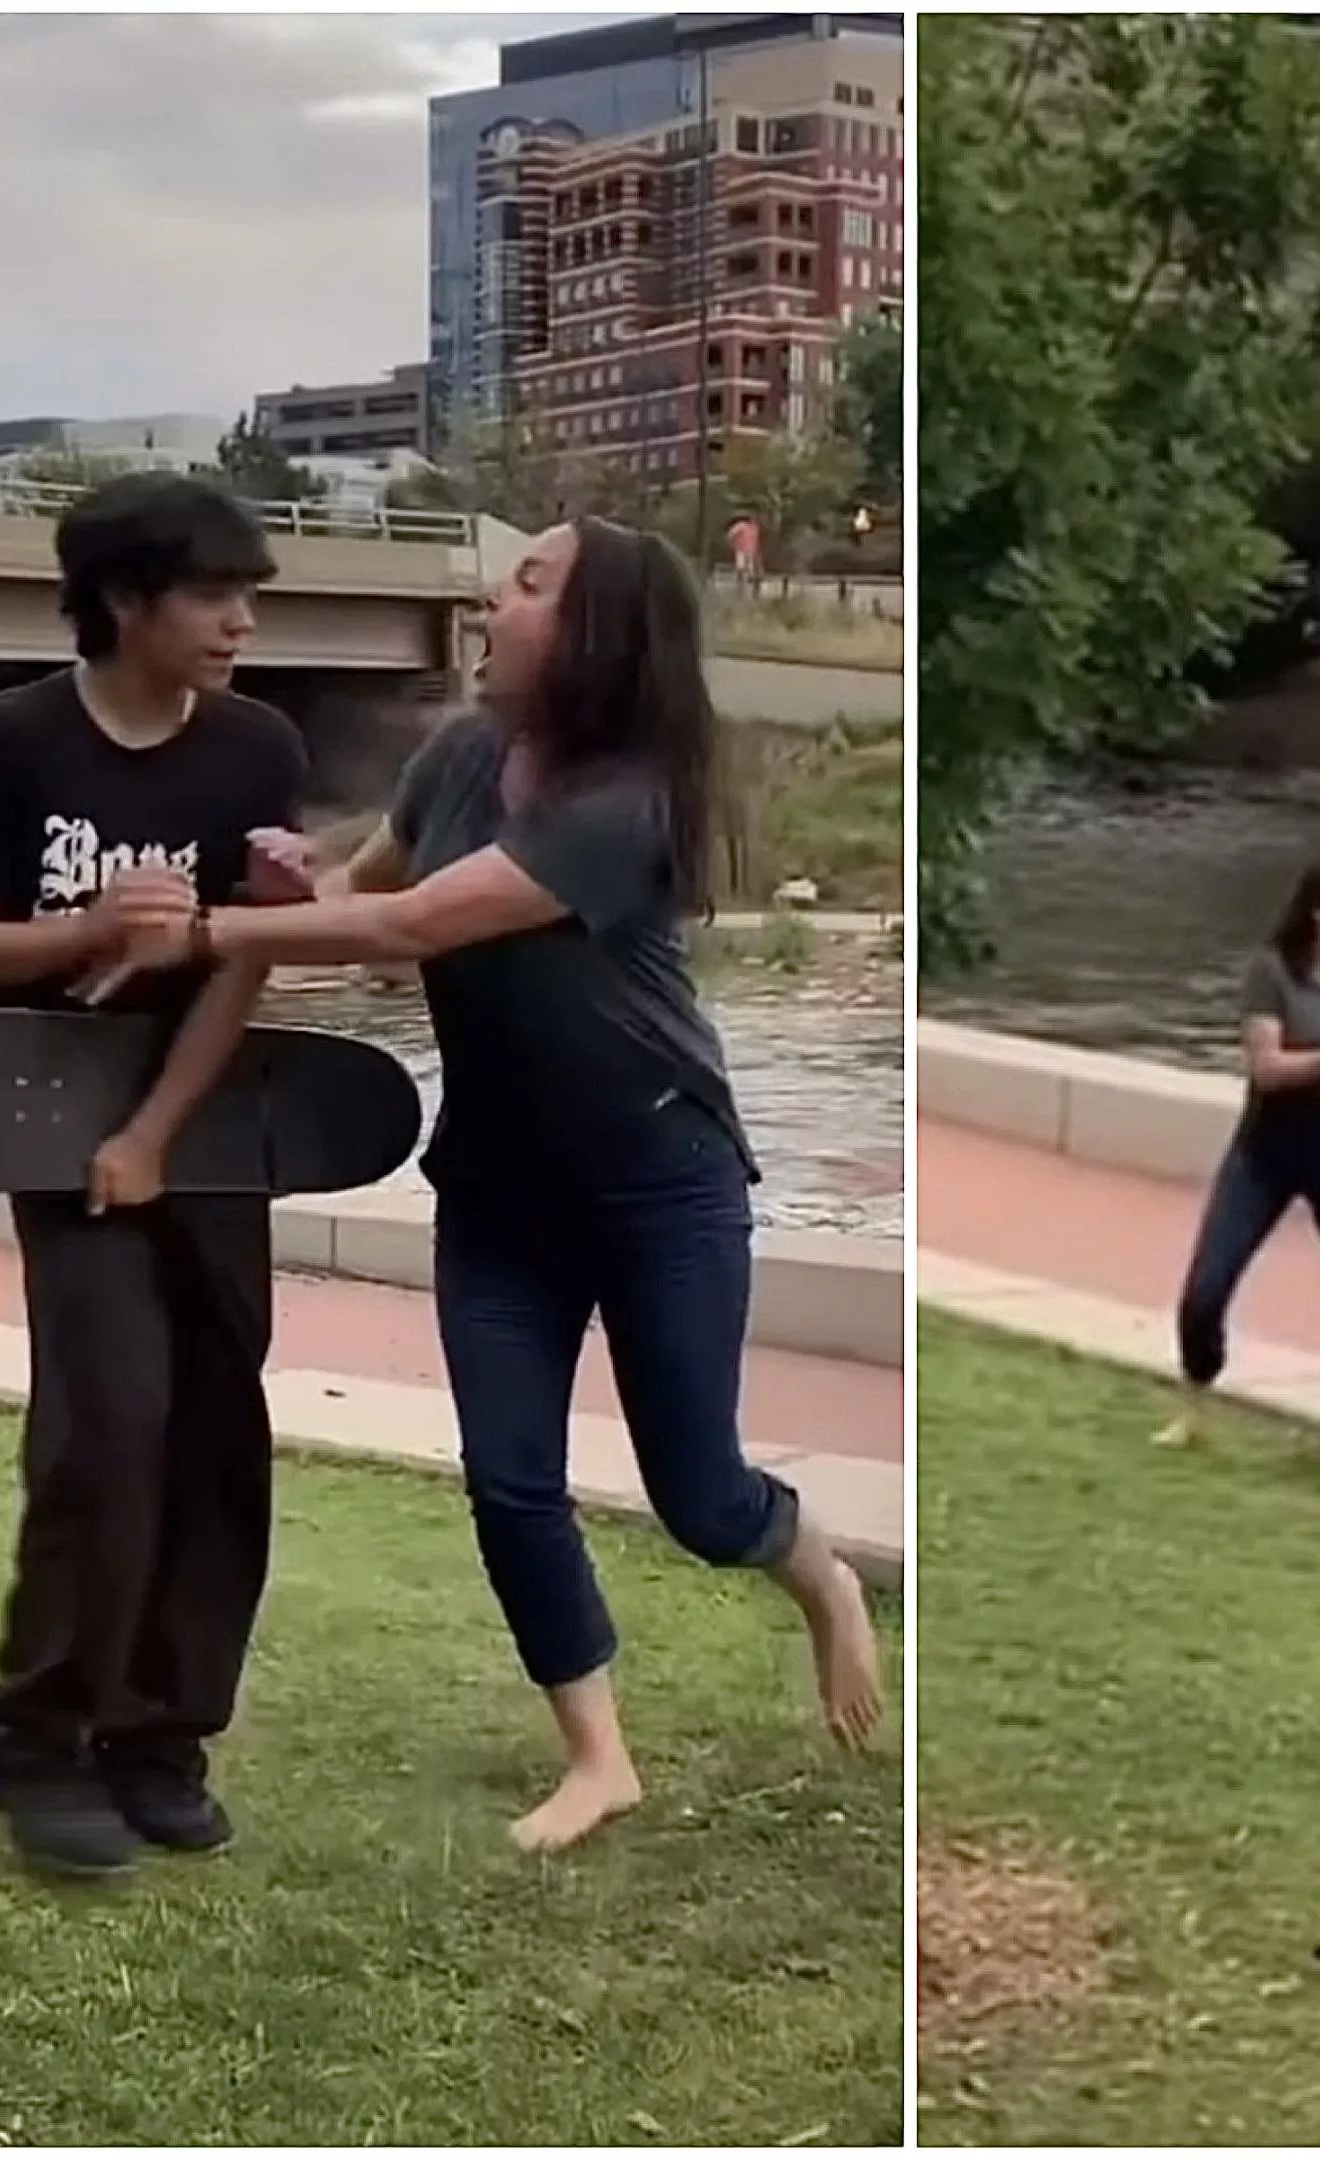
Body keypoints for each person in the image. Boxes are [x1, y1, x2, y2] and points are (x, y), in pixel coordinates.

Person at [88, 516, 886, 1856]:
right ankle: (599, 1758)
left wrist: (212, 927)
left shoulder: (625, 803)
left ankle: (823, 1578)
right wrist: (299, 881)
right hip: (500, 1194)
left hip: (660, 1185)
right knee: (510, 1479)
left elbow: (413, 927)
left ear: (591, 635)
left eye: (526, 582)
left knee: (701, 1498)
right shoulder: (457, 758)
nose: (490, 594)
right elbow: (366, 903)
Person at [0, 470, 307, 1880]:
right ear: (125, 601)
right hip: (49, 1118)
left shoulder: (256, 751)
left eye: (249, 596)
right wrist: (84, 926)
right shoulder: (9, 741)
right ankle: (41, 1741)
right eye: (213, 595)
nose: (241, 622)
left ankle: (162, 1737)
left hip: (200, 1122)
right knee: (109, 1425)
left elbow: (244, 963)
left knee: (214, 1429)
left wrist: (163, 1127)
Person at [1155, 859, 1320, 1450]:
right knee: (1206, 1290)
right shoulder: (1272, 972)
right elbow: (1267, 1068)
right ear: (1317, 910)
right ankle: (1194, 1407)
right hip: (1267, 1152)